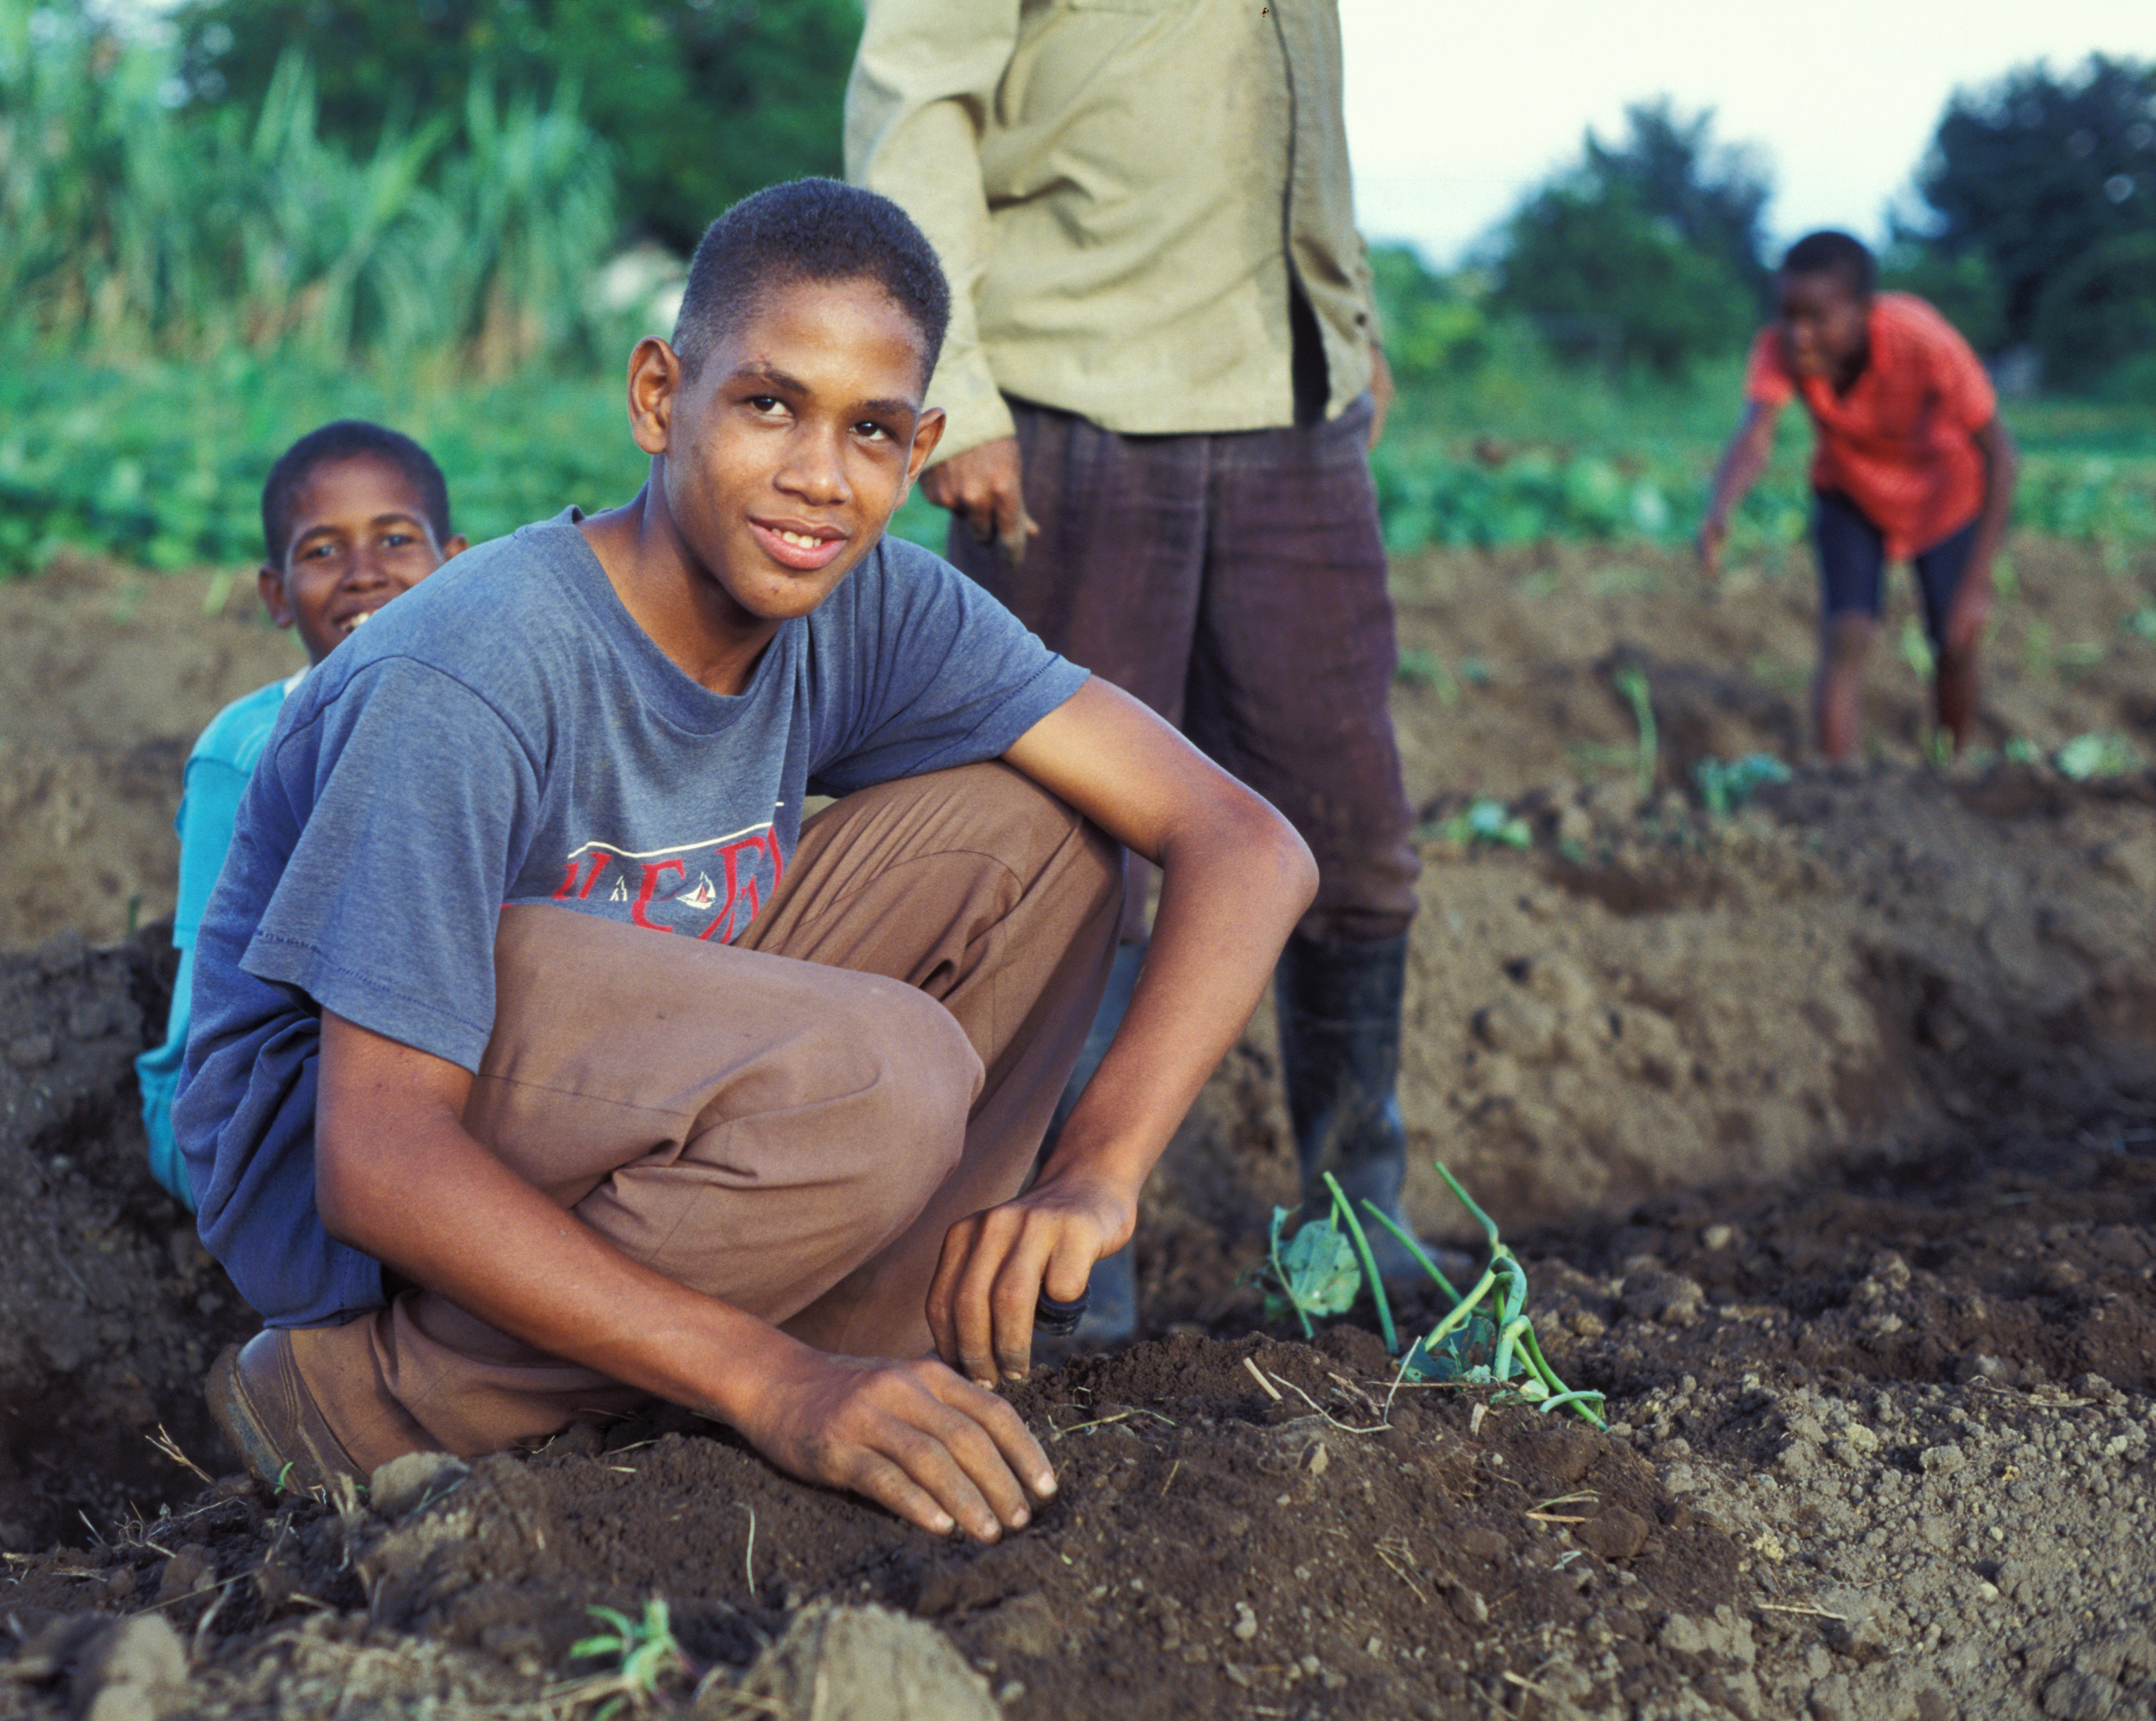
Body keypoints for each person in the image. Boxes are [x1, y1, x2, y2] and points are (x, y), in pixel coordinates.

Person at [176, 179, 1317, 1540]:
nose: (819, 477)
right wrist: (770, 1385)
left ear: (919, 448)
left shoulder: (874, 601)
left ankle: (862, 1342)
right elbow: (375, 1153)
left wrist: (1096, 1168)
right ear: (659, 397)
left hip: (600, 1062)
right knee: (880, 1074)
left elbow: (1244, 840)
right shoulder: (472, 664)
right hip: (344, 1147)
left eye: (871, 430)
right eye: (769, 404)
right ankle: (378, 1400)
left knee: (1052, 839)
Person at [844, 0, 1428, 1317]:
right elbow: (918, 100)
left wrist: (1350, 316)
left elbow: (1293, 106)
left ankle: (1360, 1224)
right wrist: (956, 385)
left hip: (1292, 396)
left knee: (1354, 831)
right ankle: (1056, 1265)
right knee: (1069, 848)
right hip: (1076, 390)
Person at [133, 421, 466, 1206]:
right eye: (322, 550)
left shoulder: (492, 725)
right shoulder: (246, 754)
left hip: (418, 1078)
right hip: (252, 1116)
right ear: (277, 596)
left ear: (456, 565)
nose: (364, 574)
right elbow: (227, 1017)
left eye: (395, 540)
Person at [1697, 229, 2018, 764]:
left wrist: (1977, 582)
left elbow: (2001, 457)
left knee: (1954, 643)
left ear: (1864, 310)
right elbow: (1756, 435)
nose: (1798, 335)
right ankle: (1838, 785)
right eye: (1787, 316)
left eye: (1817, 319)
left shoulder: (1923, 340)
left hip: (1944, 500)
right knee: (1846, 634)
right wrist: (1719, 511)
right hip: (1852, 495)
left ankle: (1953, 768)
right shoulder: (1778, 349)